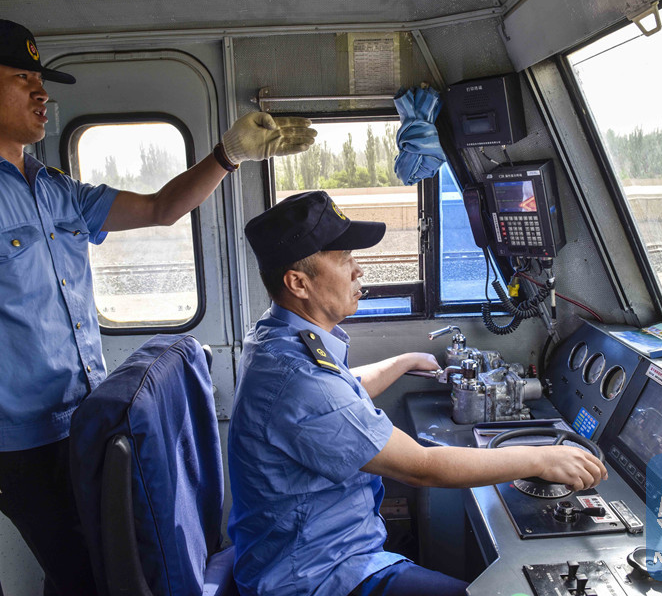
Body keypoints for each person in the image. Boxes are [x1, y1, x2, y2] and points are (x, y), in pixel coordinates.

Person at [0, 18, 315, 595]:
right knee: (84, 579)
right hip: (24, 447)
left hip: (89, 420)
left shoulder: (51, 186)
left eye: (40, 79)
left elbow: (161, 208)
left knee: (120, 573)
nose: (42, 93)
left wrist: (228, 154)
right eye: (23, 78)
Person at [228, 190, 608, 596]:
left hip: (323, 552)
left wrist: (404, 361)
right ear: (298, 282)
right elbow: (422, 466)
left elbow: (342, 393)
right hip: (317, 576)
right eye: (344, 261)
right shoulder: (299, 379)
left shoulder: (278, 338)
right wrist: (541, 457)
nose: (359, 271)